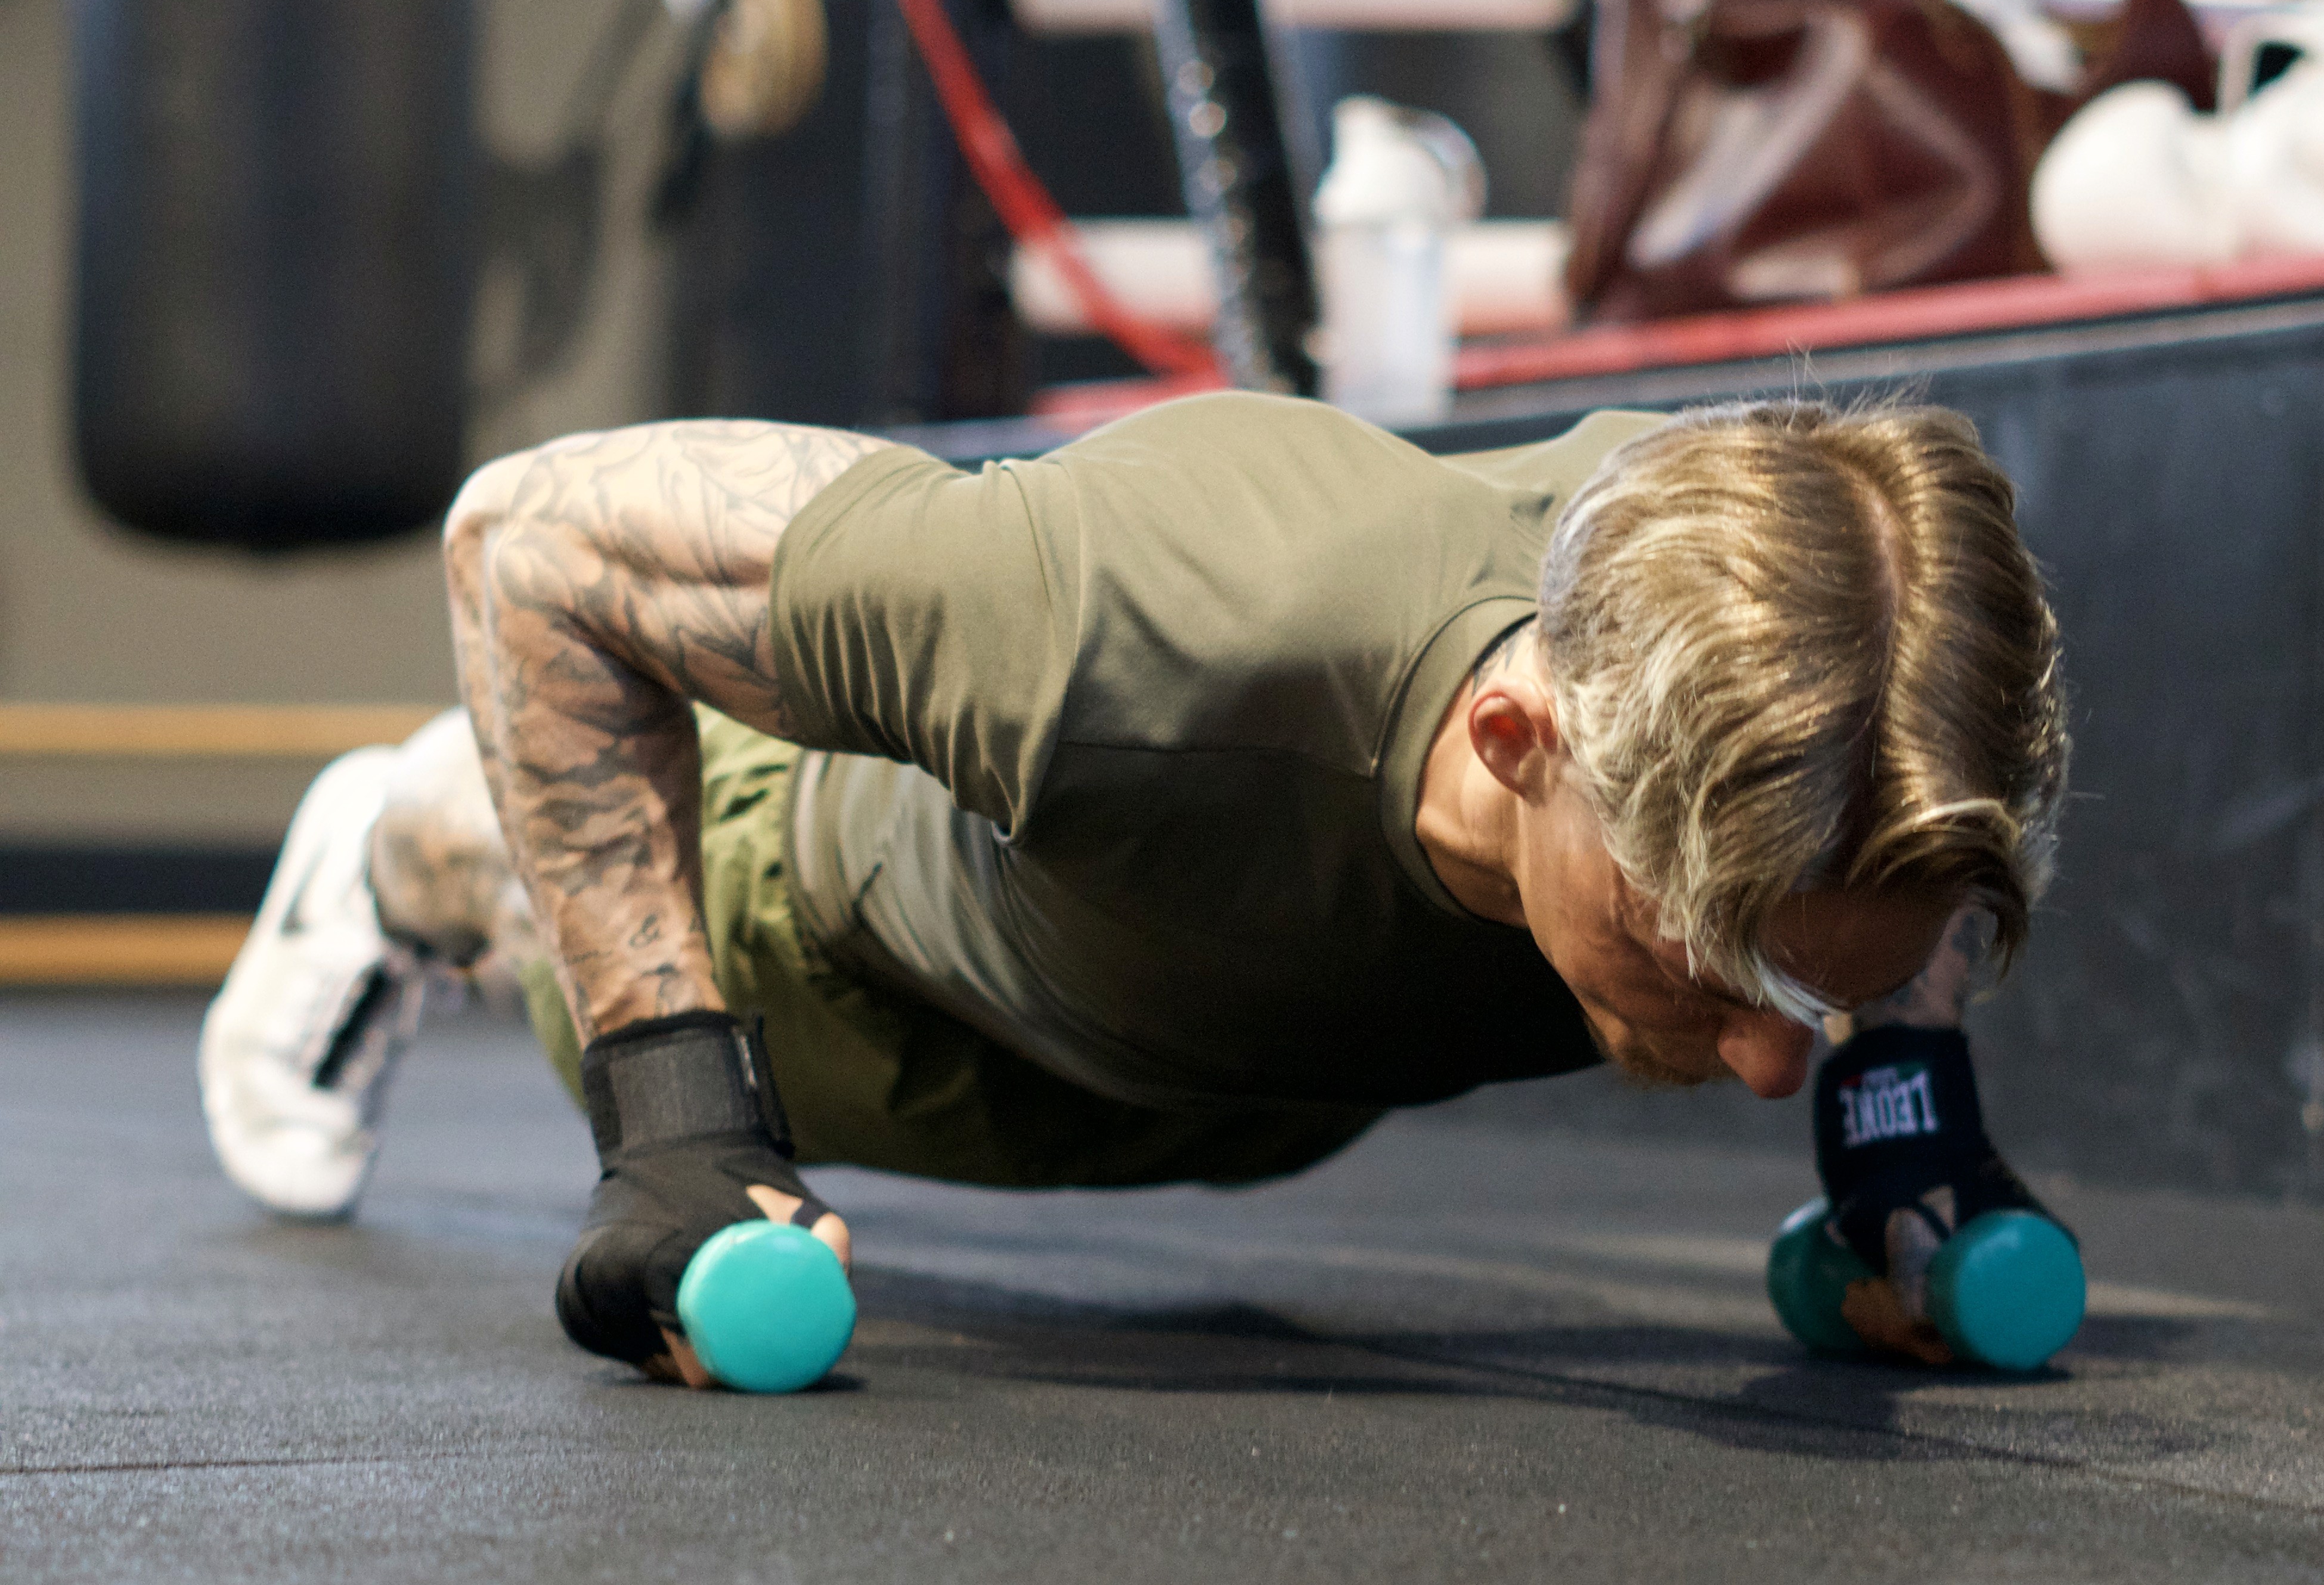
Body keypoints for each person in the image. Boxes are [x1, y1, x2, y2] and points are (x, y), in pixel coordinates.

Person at [199, 391, 2070, 1378]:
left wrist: (1901, 1111)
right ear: (1519, 745)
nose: (1762, 1068)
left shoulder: (1843, 665)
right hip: (848, 973)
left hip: (1234, 1066)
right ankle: (388, 848)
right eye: (1721, 963)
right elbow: (531, 538)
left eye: (1807, 998)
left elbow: (1904, 879)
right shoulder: (1155, 617)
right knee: (514, 857)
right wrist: (673, 1103)